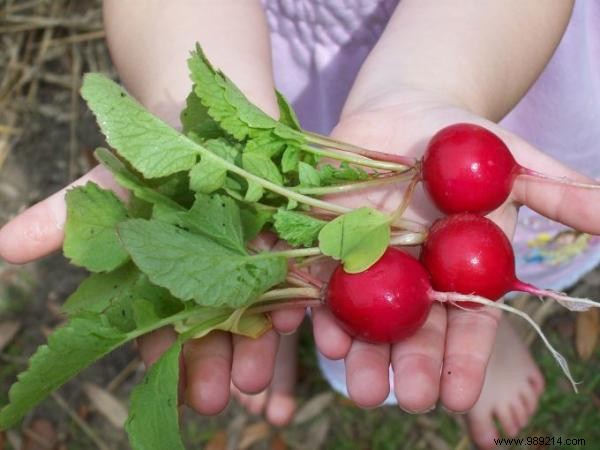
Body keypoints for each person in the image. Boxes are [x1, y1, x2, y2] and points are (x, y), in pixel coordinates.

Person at [1, 1, 599, 449]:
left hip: (482, 50)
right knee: (281, 267)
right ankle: (265, 312)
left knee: (480, 290)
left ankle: (270, 307)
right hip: (268, 62)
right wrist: (181, 111)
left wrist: (430, 86)